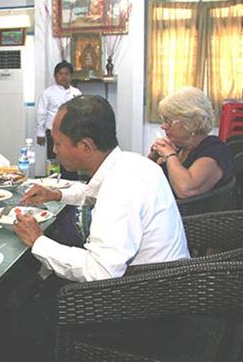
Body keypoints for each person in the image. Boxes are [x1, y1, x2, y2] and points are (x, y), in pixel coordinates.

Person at [17, 95, 189, 282]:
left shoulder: (119, 188)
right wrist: (56, 194)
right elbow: (93, 191)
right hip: (169, 277)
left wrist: (38, 241)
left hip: (150, 292)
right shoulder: (130, 162)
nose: (54, 151)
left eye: (58, 143)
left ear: (85, 147)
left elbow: (101, 272)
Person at [148, 86, 234, 199]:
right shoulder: (179, 146)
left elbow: (185, 189)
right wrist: (152, 159)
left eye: (169, 121)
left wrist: (170, 155)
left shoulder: (215, 149)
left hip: (194, 215)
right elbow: (144, 180)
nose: (163, 126)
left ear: (193, 124)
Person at [35, 61, 81, 179]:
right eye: (60, 74)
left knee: (71, 158)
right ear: (55, 76)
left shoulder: (76, 93)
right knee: (54, 159)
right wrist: (40, 133)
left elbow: (81, 114)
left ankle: (71, 182)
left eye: (67, 74)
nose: (64, 77)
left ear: (71, 76)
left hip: (72, 133)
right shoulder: (48, 93)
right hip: (53, 133)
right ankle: (53, 184)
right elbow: (41, 113)